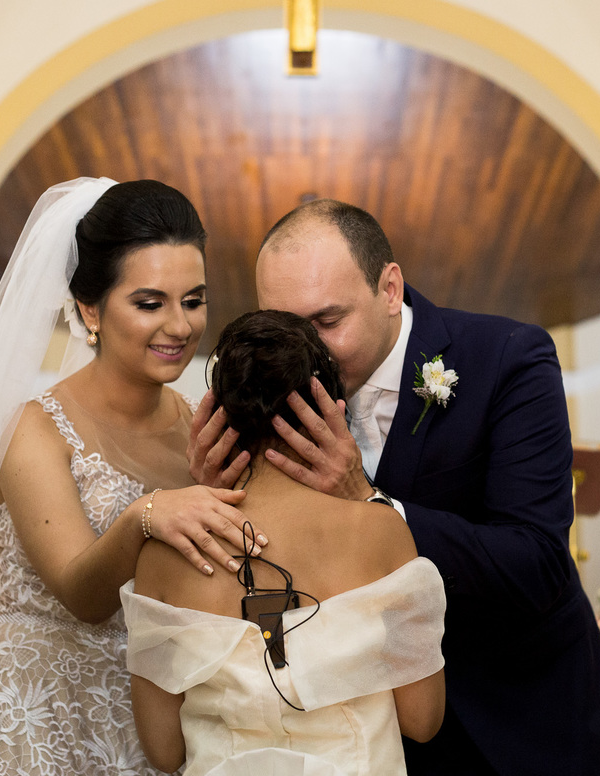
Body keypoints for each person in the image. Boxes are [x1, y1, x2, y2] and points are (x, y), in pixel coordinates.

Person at [190, 199, 600, 775]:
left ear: (389, 288)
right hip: (370, 731)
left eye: (327, 322)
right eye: (285, 326)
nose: (307, 352)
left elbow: (536, 563)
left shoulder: (507, 359)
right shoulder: (273, 392)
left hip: (517, 720)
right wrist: (224, 494)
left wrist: (366, 500)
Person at [0, 178, 265, 776]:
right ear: (90, 309)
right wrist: (146, 515)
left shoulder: (200, 430)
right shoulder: (33, 429)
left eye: (193, 300)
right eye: (149, 303)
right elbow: (81, 594)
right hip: (41, 720)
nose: (180, 325)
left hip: (156, 726)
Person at [121, 309, 447, 776]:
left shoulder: (163, 556)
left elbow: (164, 751)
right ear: (333, 412)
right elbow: (422, 721)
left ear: (216, 419)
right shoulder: (380, 531)